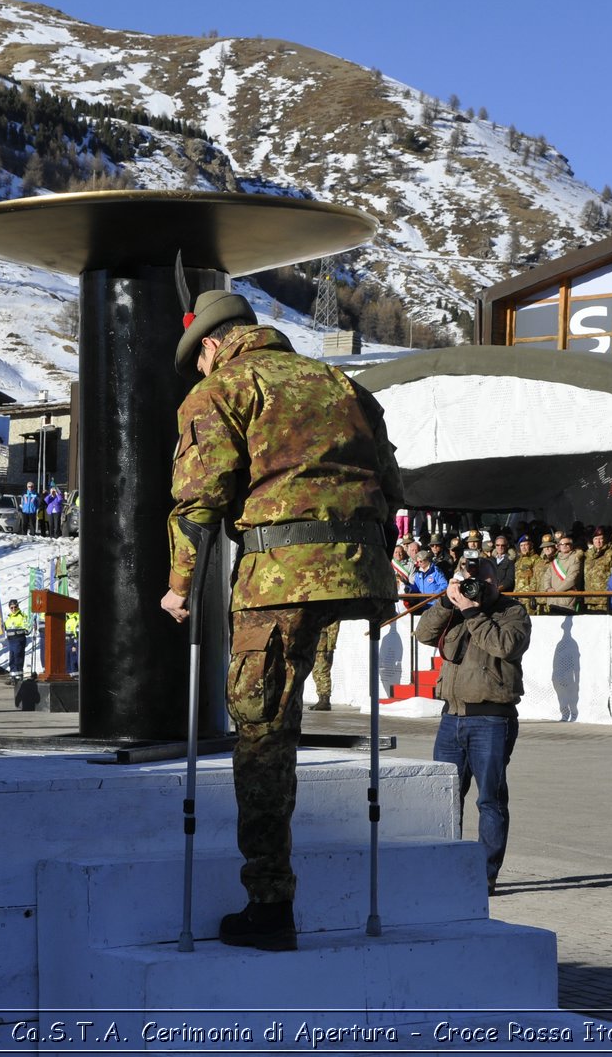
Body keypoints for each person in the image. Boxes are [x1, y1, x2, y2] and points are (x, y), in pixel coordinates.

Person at [158, 289, 401, 951]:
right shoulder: (338, 380)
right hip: (361, 567)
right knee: (279, 710)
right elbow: (393, 480)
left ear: (210, 344)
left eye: (198, 359)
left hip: (279, 575)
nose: (200, 371)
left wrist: (180, 586)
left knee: (262, 732)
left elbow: (197, 502)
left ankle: (270, 904)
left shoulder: (223, 390)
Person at [413, 557, 530, 896]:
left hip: (492, 718)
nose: (475, 586)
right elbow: (423, 634)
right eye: (469, 580)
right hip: (452, 716)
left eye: (483, 580)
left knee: (490, 800)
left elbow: (505, 646)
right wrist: (446, 602)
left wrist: (472, 613)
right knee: (445, 797)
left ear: (498, 582)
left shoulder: (513, 613)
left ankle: (485, 874)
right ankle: (446, 867)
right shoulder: (456, 605)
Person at [305, 620, 341, 712]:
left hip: (324, 648)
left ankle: (325, 701)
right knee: (316, 674)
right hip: (317, 646)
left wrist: (330, 649)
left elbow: (333, 629)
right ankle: (321, 700)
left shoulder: (331, 613)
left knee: (323, 673)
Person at [4, 598, 30, 681]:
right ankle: (13, 675)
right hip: (11, 641)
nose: (13, 609)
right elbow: (5, 628)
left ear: (18, 606)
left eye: (15, 607)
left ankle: (18, 675)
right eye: (11, 607)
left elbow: (27, 629)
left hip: (19, 640)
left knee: (18, 657)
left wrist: (17, 632)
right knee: (12, 658)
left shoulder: (22, 616)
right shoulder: (9, 618)